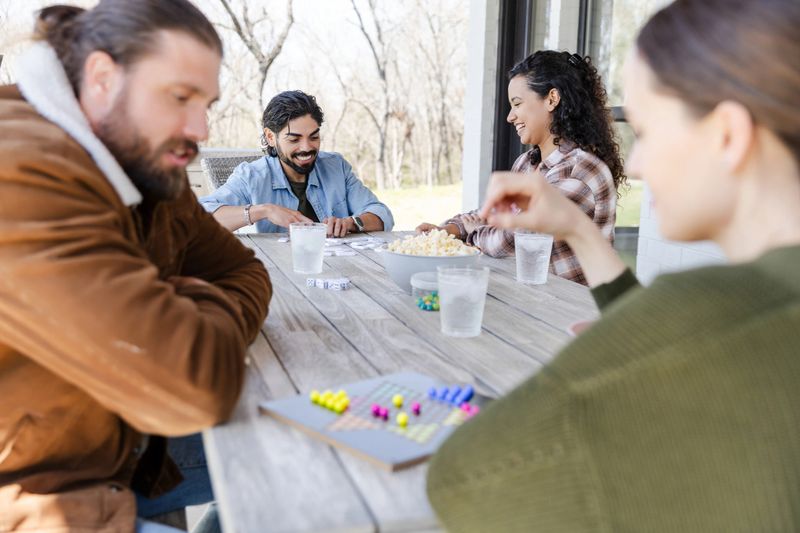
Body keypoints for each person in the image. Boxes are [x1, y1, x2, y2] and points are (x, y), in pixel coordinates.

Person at [427, 0, 800, 530]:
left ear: (727, 135)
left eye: (648, 131)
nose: (639, 165)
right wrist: (581, 233)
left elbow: (462, 478)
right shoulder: (753, 316)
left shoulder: (707, 308)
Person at [0, 1, 272, 532]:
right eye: (179, 98)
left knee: (303, 458)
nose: (201, 129)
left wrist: (178, 313)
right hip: (39, 494)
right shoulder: (20, 172)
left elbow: (246, 272)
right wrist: (193, 305)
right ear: (102, 77)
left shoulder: (143, 161)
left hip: (123, 447)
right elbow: (195, 386)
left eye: (207, 103)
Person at [416, 51, 624, 285]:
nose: (510, 117)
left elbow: (516, 237)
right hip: (532, 300)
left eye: (517, 104)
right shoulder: (527, 163)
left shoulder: (580, 171)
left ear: (551, 99)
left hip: (573, 311)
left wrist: (471, 236)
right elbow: (493, 214)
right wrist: (448, 231)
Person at [199, 90, 394, 237]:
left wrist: (351, 223)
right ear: (271, 137)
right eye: (294, 139)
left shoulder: (336, 167)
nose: (306, 148)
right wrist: (265, 210)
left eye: (314, 137)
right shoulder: (251, 176)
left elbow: (382, 215)